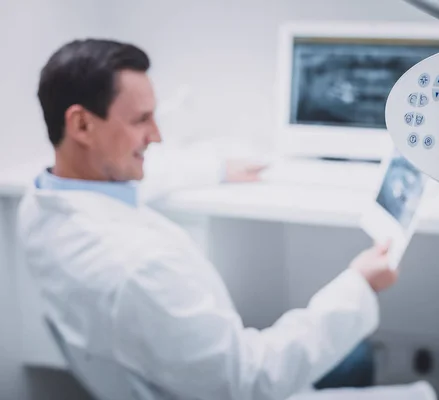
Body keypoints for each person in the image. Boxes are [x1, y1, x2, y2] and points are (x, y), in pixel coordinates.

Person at [17, 38, 398, 400]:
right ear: (82, 125)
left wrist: (217, 168)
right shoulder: (138, 270)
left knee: (356, 357)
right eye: (141, 120)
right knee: (359, 355)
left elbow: (129, 181)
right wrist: (359, 285)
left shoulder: (41, 203)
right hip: (231, 387)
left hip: (154, 373)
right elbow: (250, 382)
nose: (157, 136)